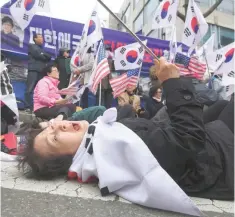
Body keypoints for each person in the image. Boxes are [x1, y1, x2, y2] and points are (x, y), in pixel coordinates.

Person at [19, 57, 234, 201]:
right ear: (69, 161)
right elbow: (188, 139)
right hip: (223, 161)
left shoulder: (102, 140)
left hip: (211, 150)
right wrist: (173, 84)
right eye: (55, 138)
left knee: (222, 105)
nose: (59, 126)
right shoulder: (117, 151)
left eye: (51, 127)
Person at [25, 33, 51, 111]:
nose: (42, 39)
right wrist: (44, 55)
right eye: (40, 37)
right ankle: (27, 107)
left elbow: (49, 57)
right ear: (35, 39)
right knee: (29, 89)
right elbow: (38, 55)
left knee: (40, 90)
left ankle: (37, 107)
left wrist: (44, 55)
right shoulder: (32, 46)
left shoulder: (42, 49)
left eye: (42, 37)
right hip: (33, 70)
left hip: (41, 72)